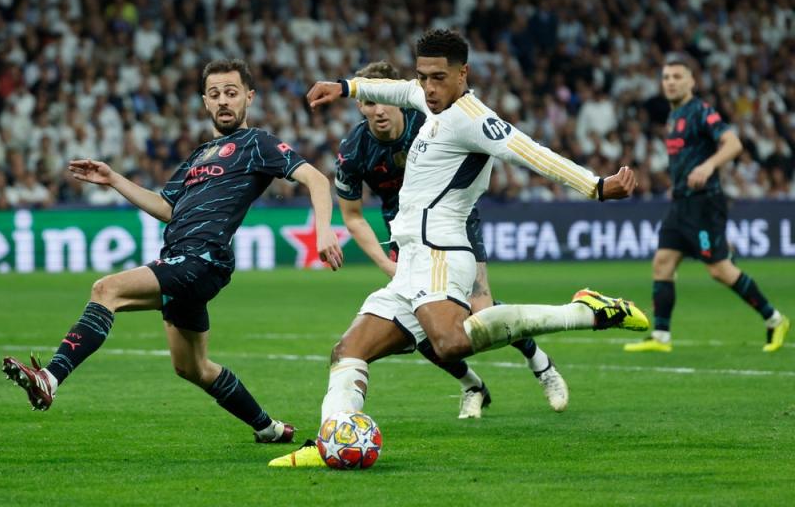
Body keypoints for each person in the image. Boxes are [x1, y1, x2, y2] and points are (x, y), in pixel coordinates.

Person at [270, 28, 647, 468]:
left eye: (438, 78)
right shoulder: (428, 99)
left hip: (442, 248)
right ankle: (329, 441)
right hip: (410, 258)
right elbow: (398, 88)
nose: (428, 88)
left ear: (462, 73)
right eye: (423, 76)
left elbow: (532, 152)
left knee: (448, 342)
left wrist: (596, 186)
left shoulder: (472, 117)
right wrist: (345, 87)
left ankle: (586, 311)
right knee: (348, 351)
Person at [1, 59, 343, 444]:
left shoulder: (257, 144)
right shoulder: (200, 155)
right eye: (214, 95)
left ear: (249, 97)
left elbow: (314, 178)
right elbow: (167, 206)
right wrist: (113, 179)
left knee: (105, 290)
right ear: (204, 102)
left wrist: (324, 230)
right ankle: (268, 428)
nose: (223, 102)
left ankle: (50, 377)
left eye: (231, 93)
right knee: (192, 368)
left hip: (202, 258)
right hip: (185, 259)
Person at [336, 60, 568, 418]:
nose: (378, 110)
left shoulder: (428, 118)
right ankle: (471, 385)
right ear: (360, 105)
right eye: (369, 102)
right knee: (423, 324)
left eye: (383, 100)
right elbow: (352, 216)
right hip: (407, 235)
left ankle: (541, 364)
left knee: (481, 313)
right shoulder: (353, 150)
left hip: (455, 223)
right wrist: (386, 263)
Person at [624, 53, 789, 354]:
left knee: (720, 270)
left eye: (677, 77)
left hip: (704, 203)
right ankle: (661, 336)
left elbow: (734, 143)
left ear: (692, 81)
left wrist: (709, 166)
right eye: (666, 77)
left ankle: (774, 319)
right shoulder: (673, 116)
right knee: (663, 262)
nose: (671, 82)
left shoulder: (700, 111)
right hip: (680, 204)